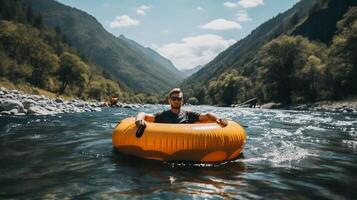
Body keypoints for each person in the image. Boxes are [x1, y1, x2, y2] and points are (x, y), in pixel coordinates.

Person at [135, 88, 228, 128]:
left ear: (182, 101)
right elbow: (143, 114)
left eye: (179, 98)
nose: (176, 101)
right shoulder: (162, 115)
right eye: (174, 98)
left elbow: (207, 115)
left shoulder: (189, 115)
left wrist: (218, 119)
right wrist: (139, 119)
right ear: (169, 100)